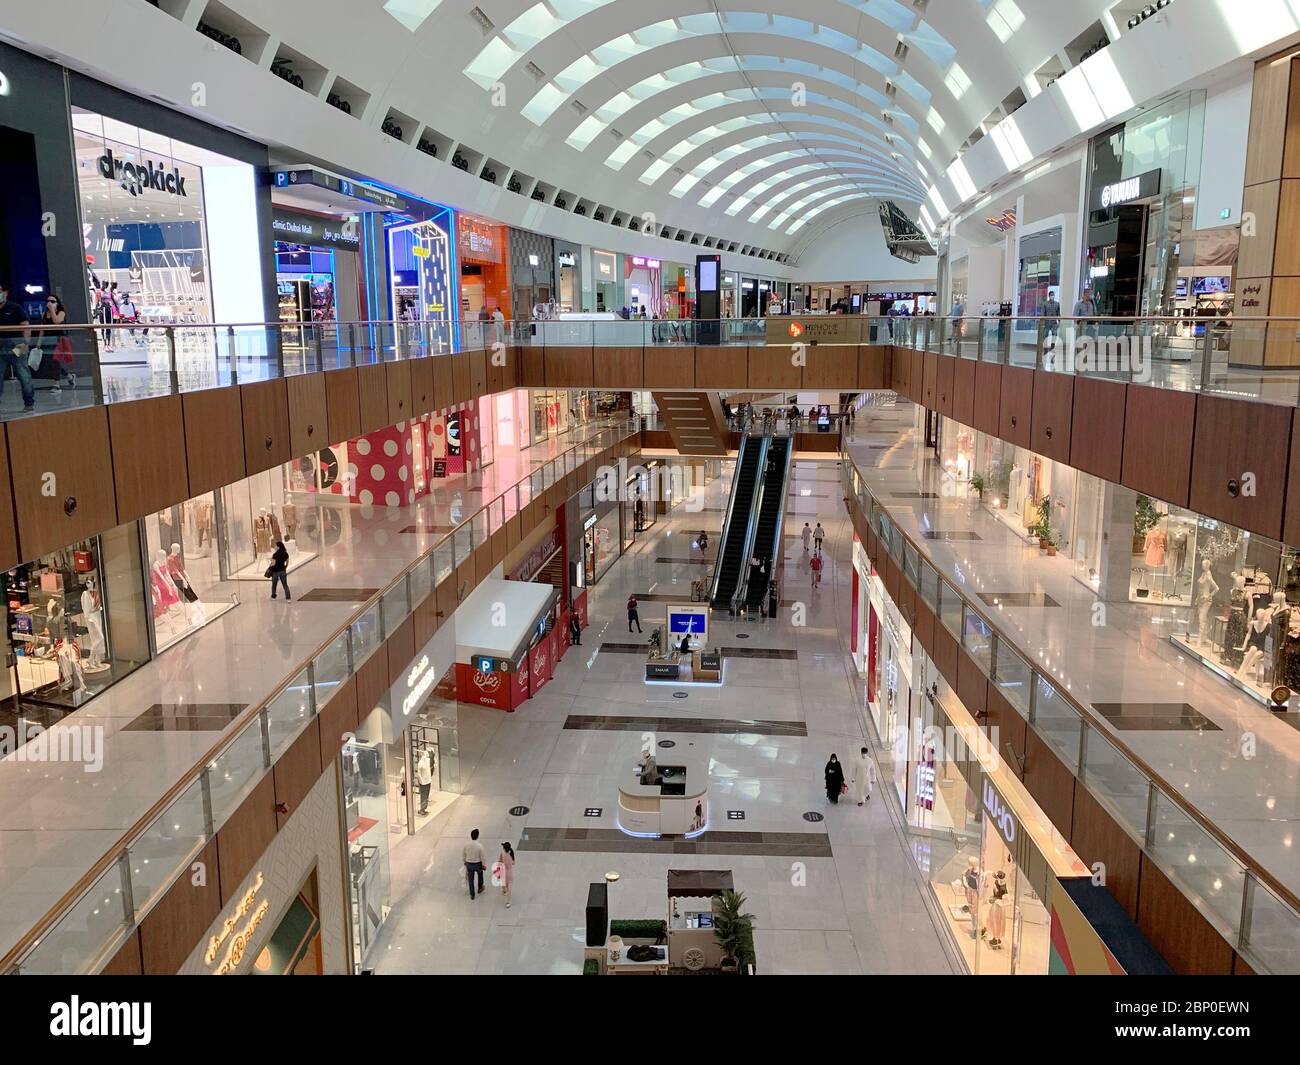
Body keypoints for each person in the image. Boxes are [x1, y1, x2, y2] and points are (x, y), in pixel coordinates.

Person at [0, 281, 34, 412]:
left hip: (16, 345)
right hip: (0, 348)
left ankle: (29, 403)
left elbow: (26, 326)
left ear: (5, 293)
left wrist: (25, 343)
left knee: (23, 375)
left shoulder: (15, 308)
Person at [39, 295, 75, 394]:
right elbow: (42, 329)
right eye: (48, 301)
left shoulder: (61, 312)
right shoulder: (44, 314)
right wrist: (39, 343)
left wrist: (52, 310)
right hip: (48, 340)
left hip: (59, 340)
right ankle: (68, 376)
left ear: (57, 303)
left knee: (55, 360)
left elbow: (56, 322)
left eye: (52, 301)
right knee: (52, 362)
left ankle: (56, 384)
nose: (50, 303)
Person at [464, 829, 486, 900]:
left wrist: (464, 861)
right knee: (480, 875)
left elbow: (463, 854)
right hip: (477, 864)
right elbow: (482, 856)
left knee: (471, 879)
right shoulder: (479, 846)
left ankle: (472, 895)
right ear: (477, 836)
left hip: (469, 864)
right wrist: (484, 864)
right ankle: (480, 887)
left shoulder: (466, 845)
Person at [497, 841, 515, 907]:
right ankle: (508, 902)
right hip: (509, 872)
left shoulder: (502, 854)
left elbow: (499, 862)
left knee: (503, 882)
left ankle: (504, 890)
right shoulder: (511, 854)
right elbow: (513, 863)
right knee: (509, 887)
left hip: (503, 871)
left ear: (504, 848)